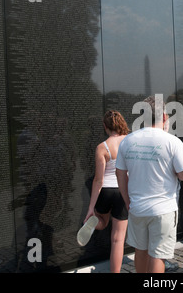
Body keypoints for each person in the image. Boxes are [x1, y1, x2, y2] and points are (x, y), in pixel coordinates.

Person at [116, 95, 183, 273]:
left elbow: (120, 173)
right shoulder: (173, 142)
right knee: (158, 255)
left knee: (140, 251)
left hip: (137, 207)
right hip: (164, 209)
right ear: (165, 117)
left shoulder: (127, 140)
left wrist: (127, 200)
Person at [77, 110, 129, 273]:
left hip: (106, 191)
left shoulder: (102, 147)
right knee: (117, 239)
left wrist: (91, 208)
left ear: (105, 126)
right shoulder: (129, 142)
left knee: (103, 222)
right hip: (122, 191)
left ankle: (94, 223)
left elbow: (98, 180)